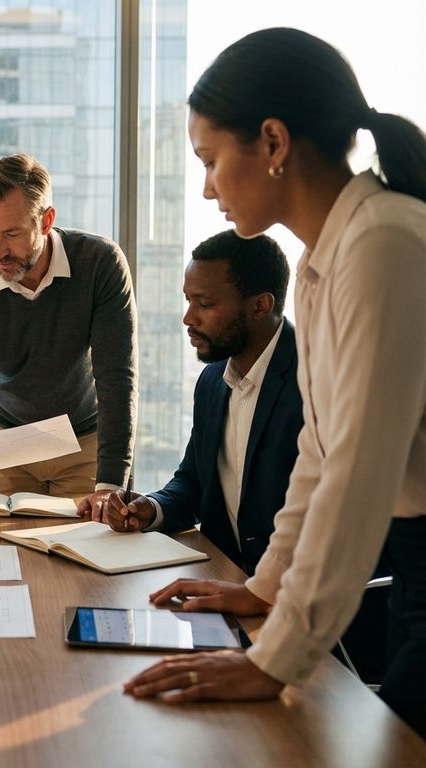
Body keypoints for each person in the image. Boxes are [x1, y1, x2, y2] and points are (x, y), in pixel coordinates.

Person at [122, 28, 426, 738]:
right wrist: (262, 591)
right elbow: (318, 459)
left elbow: (358, 474)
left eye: (210, 160)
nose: (206, 186)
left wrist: (276, 659)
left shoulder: (384, 243)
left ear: (273, 142)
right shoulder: (328, 262)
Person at [83, 230, 300, 576]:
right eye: (188, 301)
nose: (188, 317)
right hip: (221, 576)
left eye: (205, 304)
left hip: (293, 594)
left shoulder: (316, 383)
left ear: (260, 305)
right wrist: (150, 509)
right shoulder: (213, 380)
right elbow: (193, 483)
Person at [0, 153, 137, 498]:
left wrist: (112, 481)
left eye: (11, 233)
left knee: (84, 545)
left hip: (83, 443)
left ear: (46, 220)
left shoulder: (100, 264)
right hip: (6, 448)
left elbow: (117, 378)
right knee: (7, 547)